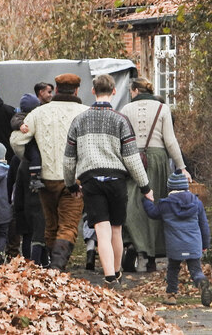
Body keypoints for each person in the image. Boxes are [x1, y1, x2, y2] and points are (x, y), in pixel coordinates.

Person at [64, 74, 154, 286]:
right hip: (116, 180)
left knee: (101, 231)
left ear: (93, 91)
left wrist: (70, 185)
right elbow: (132, 158)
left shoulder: (79, 120)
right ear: (114, 92)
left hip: (91, 180)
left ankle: (109, 277)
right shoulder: (120, 120)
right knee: (116, 229)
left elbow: (69, 160)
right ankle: (117, 272)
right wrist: (145, 187)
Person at [10, 73, 88, 270]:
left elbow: (16, 140)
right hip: (75, 179)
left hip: (45, 179)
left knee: (51, 223)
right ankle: (57, 266)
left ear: (56, 88)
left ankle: (53, 266)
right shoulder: (86, 113)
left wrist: (31, 159)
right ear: (77, 90)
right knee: (68, 225)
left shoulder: (39, 112)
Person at [121, 77, 192, 272]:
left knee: (132, 205)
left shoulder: (126, 110)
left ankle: (137, 246)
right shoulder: (163, 109)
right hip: (159, 160)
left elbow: (122, 140)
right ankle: (153, 254)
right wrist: (181, 167)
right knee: (157, 204)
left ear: (135, 90)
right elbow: (170, 141)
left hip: (133, 159)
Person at [142, 170, 212, 306]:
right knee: (196, 270)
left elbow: (152, 213)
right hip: (194, 244)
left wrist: (146, 200)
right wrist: (205, 245)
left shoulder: (165, 204)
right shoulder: (197, 203)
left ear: (169, 188)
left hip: (175, 245)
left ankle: (172, 295)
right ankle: (201, 282)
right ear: (186, 187)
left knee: (173, 269)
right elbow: (204, 225)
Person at [10, 94, 47, 265]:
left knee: (27, 232)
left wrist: (16, 206)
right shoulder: (33, 124)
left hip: (24, 203)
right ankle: (40, 261)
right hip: (36, 195)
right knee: (40, 227)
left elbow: (14, 184)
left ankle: (28, 262)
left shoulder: (20, 160)